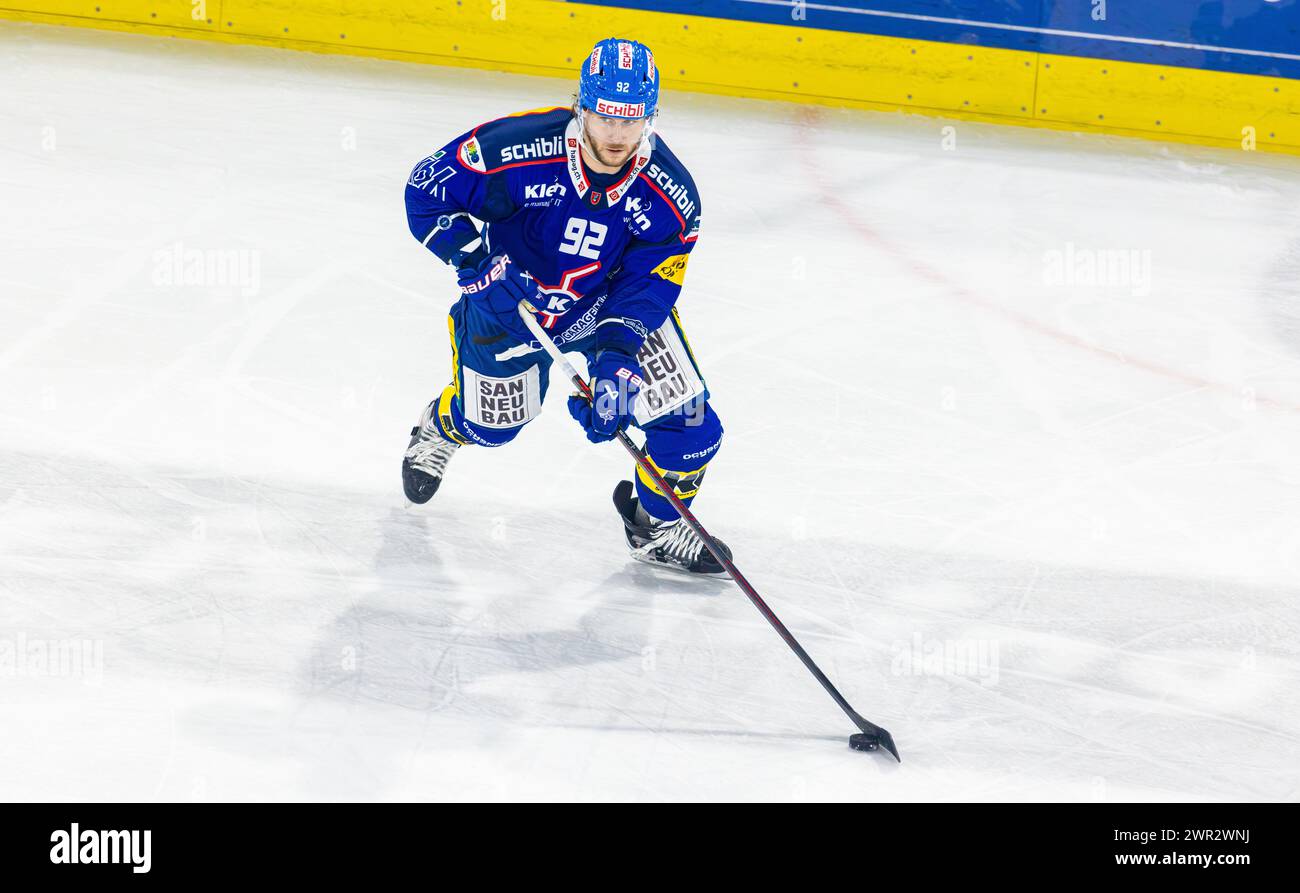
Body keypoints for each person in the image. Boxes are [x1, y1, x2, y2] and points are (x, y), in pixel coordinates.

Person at [402, 37, 729, 575]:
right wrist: (474, 262)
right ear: (582, 105)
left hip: (603, 308)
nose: (617, 135)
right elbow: (426, 190)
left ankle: (655, 528)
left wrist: (618, 358)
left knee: (692, 429)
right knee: (494, 427)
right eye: (606, 117)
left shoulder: (672, 194)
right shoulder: (516, 147)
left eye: (632, 120)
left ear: (650, 116)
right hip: (507, 307)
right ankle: (443, 426)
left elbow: (649, 283)